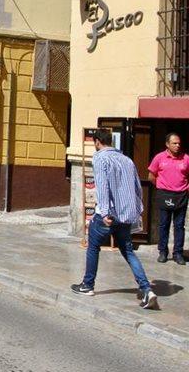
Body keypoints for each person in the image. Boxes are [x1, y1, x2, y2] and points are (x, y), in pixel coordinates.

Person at [71, 129, 158, 309]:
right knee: (128, 251)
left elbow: (102, 186)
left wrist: (105, 213)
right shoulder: (127, 160)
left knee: (93, 247)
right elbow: (137, 188)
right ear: (111, 140)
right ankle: (146, 288)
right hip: (125, 216)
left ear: (97, 142)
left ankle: (88, 285)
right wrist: (137, 210)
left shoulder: (100, 158)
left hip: (108, 215)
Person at [148, 133, 188, 265]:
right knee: (164, 225)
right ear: (167, 144)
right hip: (165, 194)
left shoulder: (186, 158)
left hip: (181, 196)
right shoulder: (159, 158)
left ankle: (178, 253)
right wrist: (161, 187)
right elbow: (151, 176)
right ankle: (163, 252)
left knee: (179, 226)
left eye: (179, 143)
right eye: (174, 143)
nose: (177, 146)